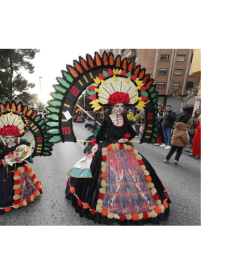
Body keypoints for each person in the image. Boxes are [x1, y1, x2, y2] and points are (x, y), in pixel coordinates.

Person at [65, 92, 170, 225]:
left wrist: (126, 138)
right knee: (106, 176)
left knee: (133, 175)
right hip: (108, 148)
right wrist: (95, 144)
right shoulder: (107, 119)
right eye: (117, 106)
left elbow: (132, 133)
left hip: (124, 149)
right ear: (112, 107)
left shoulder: (125, 119)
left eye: (122, 106)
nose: (120, 109)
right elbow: (100, 134)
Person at [0, 120, 42, 216]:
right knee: (2, 187)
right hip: (6, 170)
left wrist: (22, 159)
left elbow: (26, 155)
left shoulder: (20, 147)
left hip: (19, 169)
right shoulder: (4, 147)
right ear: (5, 137)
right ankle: (3, 202)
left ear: (16, 136)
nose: (10, 140)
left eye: (12, 137)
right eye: (7, 137)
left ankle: (22, 199)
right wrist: (3, 161)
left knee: (22, 183)